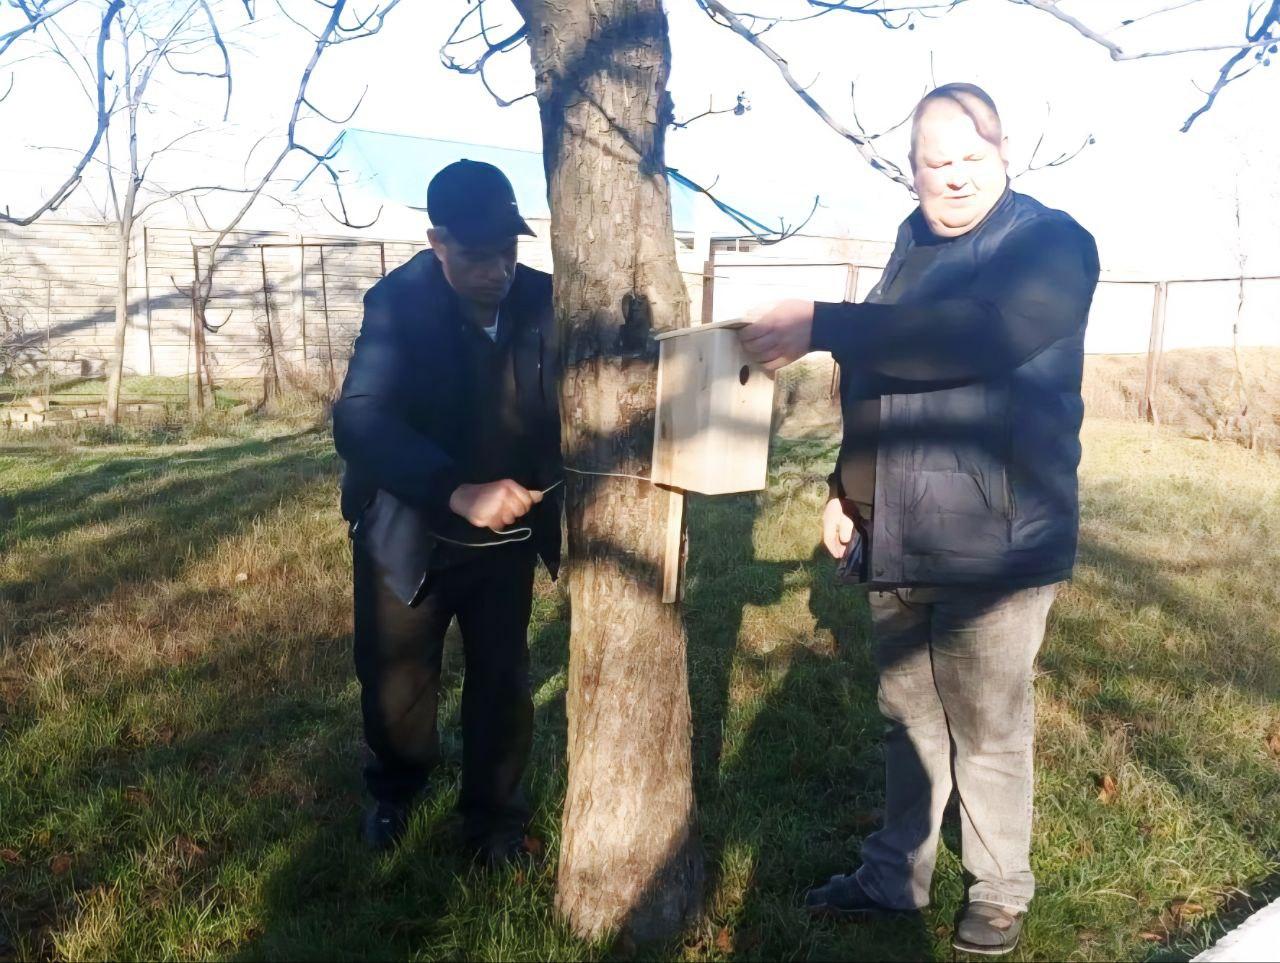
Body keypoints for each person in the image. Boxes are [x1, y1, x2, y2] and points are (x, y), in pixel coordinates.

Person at [739, 84, 1100, 956]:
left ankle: (1001, 888)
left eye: (971, 158)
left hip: (999, 542)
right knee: (906, 716)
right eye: (936, 164)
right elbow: (877, 374)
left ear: (1004, 148)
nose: (955, 178)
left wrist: (823, 320)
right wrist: (843, 487)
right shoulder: (909, 243)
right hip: (897, 527)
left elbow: (973, 338)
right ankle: (895, 873)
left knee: (985, 726)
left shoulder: (1050, 244)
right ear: (911, 171)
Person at [332, 160, 562, 866]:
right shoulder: (397, 304)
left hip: (508, 536)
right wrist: (457, 490)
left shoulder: (546, 300)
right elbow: (360, 421)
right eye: (475, 254)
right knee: (398, 684)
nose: (497, 269)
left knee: (502, 681)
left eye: (508, 250)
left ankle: (492, 821)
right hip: (412, 532)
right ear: (437, 242)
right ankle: (395, 789)